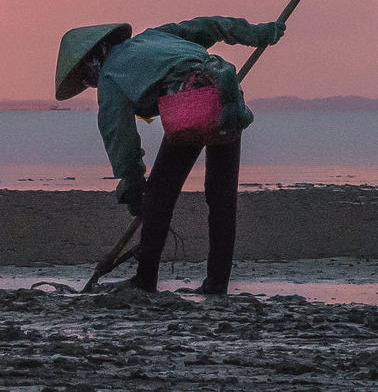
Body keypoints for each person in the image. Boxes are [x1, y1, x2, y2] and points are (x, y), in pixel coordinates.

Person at [54, 17, 285, 295]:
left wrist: (133, 187)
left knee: (159, 196)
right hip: (227, 95)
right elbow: (212, 26)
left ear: (92, 61)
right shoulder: (156, 36)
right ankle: (217, 283)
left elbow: (120, 138)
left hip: (190, 100)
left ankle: (144, 280)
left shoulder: (110, 77)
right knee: (221, 197)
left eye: (83, 77)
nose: (88, 83)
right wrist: (257, 34)